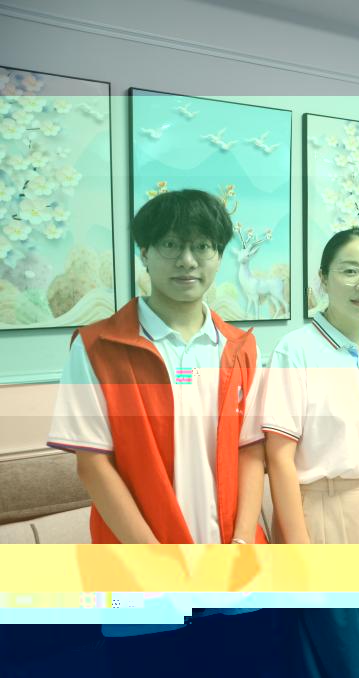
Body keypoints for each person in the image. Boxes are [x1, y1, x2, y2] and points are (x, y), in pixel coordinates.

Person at [46, 189, 267, 675]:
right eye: (170, 244)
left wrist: (243, 544)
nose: (187, 260)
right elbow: (93, 465)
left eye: (202, 246)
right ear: (144, 252)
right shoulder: (98, 346)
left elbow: (252, 449)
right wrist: (156, 562)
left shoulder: (239, 347)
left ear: (219, 255)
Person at [262, 228, 359, 677]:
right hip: (322, 511)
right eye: (351, 271)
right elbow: (278, 458)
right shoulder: (296, 350)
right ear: (323, 278)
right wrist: (299, 548)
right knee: (334, 654)